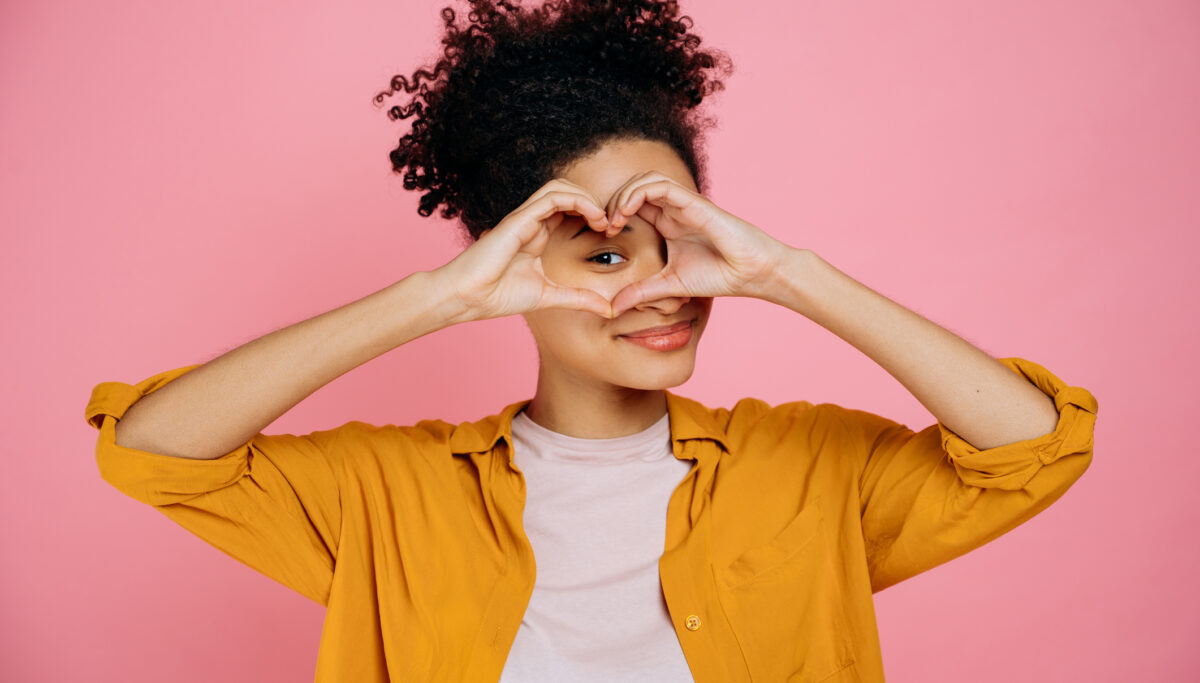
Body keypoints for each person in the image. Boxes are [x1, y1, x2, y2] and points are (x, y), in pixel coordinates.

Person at [84, 1, 1098, 681]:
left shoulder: (813, 469)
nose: (661, 290)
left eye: (682, 243)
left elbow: (1032, 446)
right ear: (512, 262)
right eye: (604, 257)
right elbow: (153, 449)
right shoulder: (391, 493)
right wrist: (437, 298)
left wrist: (786, 270)